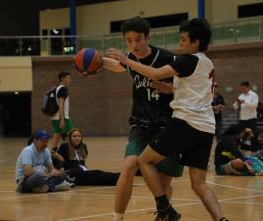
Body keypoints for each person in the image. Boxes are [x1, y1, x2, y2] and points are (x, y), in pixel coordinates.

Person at [107, 18, 227, 221]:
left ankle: (165, 209)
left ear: (195, 41)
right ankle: (221, 219)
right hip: (206, 128)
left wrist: (126, 61)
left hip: (185, 123)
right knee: (199, 183)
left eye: (183, 39)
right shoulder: (207, 63)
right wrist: (171, 89)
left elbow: (154, 73)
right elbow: (195, 90)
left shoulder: (186, 60)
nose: (180, 43)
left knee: (144, 160)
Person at [102, 16, 183, 221]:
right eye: (129, 40)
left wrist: (171, 89)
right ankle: (117, 218)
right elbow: (119, 66)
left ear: (147, 37)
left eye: (138, 39)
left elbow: (186, 89)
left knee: (164, 185)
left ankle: (163, 213)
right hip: (141, 124)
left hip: (168, 126)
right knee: (129, 165)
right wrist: (97, 61)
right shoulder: (129, 58)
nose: (134, 45)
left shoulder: (168, 58)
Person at [53, 128, 120, 185]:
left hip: (83, 171)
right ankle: (119, 177)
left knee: (97, 175)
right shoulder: (64, 146)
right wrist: (60, 169)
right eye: (74, 136)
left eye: (79, 136)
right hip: (72, 173)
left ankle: (118, 179)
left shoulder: (83, 146)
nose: (77, 138)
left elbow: (82, 162)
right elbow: (57, 160)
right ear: (70, 138)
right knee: (96, 174)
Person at [51, 71, 73, 151]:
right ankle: (77, 160)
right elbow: (61, 104)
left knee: (55, 143)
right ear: (62, 78)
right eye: (68, 78)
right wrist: (62, 120)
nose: (70, 80)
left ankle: (52, 159)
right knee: (73, 138)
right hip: (63, 118)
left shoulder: (56, 88)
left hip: (55, 118)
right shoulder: (63, 89)